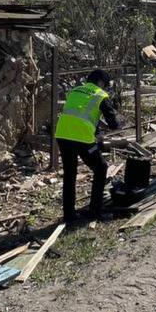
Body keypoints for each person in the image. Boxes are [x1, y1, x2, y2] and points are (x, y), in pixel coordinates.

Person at [54, 69, 121, 222]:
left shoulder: (74, 90)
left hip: (62, 135)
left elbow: (80, 113)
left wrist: (96, 129)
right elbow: (114, 124)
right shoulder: (101, 95)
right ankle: (95, 211)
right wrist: (117, 123)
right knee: (101, 167)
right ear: (101, 83)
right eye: (105, 85)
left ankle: (69, 215)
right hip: (82, 138)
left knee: (70, 174)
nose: (105, 88)